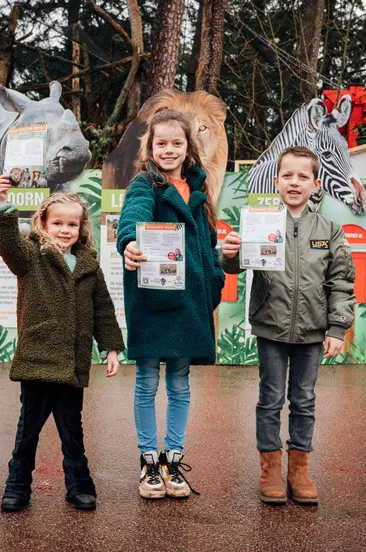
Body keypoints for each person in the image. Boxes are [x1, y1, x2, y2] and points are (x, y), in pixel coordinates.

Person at [221, 146, 356, 505]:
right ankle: (269, 470)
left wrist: (337, 328)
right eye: (288, 176)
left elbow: (341, 281)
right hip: (271, 327)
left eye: (303, 176)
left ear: (316, 184)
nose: (295, 182)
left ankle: (299, 470)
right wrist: (230, 255)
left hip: (313, 331)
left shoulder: (329, 229)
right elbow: (236, 268)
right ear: (276, 180)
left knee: (305, 400)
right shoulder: (260, 222)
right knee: (270, 400)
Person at [0, 176, 125, 512]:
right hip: (38, 359)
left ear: (81, 227)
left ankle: (79, 486)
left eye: (72, 224)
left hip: (73, 363)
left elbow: (103, 307)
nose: (65, 230)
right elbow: (7, 244)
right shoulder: (30, 256)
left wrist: (111, 347)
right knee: (28, 432)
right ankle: (18, 486)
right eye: (58, 223)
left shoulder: (90, 264)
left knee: (72, 431)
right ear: (43, 224)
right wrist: (3, 204)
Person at [116, 109, 225, 499]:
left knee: (180, 385)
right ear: (150, 146)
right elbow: (134, 217)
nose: (168, 149)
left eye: (176, 143)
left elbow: (208, 245)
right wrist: (129, 242)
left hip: (192, 305)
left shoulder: (199, 189)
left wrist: (216, 275)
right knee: (146, 384)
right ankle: (149, 463)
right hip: (154, 301)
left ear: (188, 148)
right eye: (161, 143)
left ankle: (172, 462)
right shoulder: (144, 184)